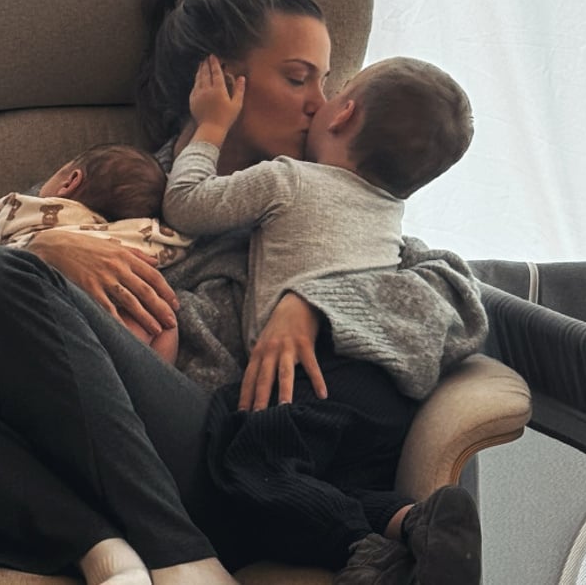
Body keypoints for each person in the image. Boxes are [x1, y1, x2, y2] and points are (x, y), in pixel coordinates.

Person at [0, 0, 488, 585]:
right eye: (298, 77)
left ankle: (179, 554)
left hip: (210, 460)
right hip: (34, 435)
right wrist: (48, 253)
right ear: (219, 81)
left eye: (326, 78)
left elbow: (454, 299)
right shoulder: (115, 185)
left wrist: (313, 301)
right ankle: (95, 544)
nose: (324, 101)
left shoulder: (327, 209)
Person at [162, 54, 481, 583]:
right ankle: (416, 524)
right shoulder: (388, 215)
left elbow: (187, 205)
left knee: (250, 463)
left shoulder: (289, 179)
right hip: (387, 392)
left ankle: (361, 550)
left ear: (342, 114)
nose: (318, 98)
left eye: (333, 88)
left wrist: (211, 126)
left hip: (318, 373)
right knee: (335, 483)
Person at [0, 142, 190, 363]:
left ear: (70, 181)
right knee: (163, 320)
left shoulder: (34, 210)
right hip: (118, 326)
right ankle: (149, 380)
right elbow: (183, 238)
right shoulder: (143, 232)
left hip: (42, 315)